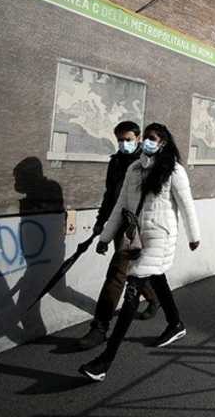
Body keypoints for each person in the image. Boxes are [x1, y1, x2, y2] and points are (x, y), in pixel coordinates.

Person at [79, 123, 201, 381]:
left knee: (133, 289)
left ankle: (105, 362)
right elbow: (119, 206)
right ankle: (175, 324)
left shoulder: (174, 170)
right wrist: (105, 237)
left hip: (160, 236)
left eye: (152, 138)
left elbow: (187, 205)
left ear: (163, 142)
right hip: (136, 235)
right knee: (157, 277)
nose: (147, 142)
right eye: (146, 137)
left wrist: (194, 236)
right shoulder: (134, 169)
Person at [76, 121, 162, 351]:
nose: (124, 144)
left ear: (138, 138)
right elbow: (110, 195)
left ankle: (100, 328)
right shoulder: (115, 162)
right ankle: (154, 298)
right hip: (119, 223)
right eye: (120, 140)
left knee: (117, 273)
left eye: (128, 139)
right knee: (130, 268)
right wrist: (100, 223)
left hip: (140, 226)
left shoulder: (148, 162)